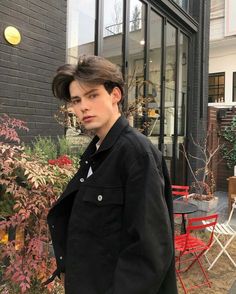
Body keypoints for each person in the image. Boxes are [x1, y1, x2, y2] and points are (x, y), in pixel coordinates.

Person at [46, 55, 178, 294]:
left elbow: (150, 249)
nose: (83, 106)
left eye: (92, 95)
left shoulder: (136, 153)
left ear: (115, 95)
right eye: (76, 100)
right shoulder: (97, 151)